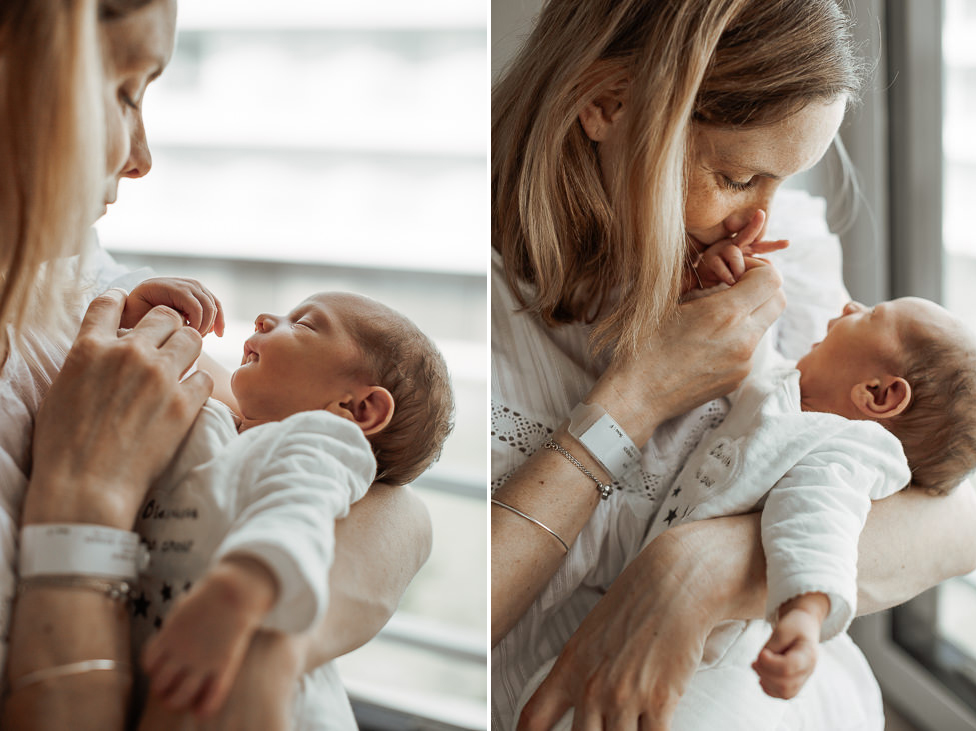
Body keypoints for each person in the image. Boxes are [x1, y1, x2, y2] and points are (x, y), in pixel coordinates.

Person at [490, 1, 976, 730]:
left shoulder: (784, 266)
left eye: (787, 181)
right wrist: (641, 393)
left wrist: (703, 566)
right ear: (605, 106)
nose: (761, 223)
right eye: (740, 175)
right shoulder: (472, 318)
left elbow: (943, 503)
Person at [0, 1, 432, 728]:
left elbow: (398, 510)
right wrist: (83, 499)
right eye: (124, 89)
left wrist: (262, 648)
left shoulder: (74, 277)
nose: (140, 157)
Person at [514, 287, 976, 729]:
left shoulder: (842, 447)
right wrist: (715, 282)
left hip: (729, 653)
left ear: (877, 393)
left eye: (873, 314)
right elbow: (723, 346)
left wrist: (805, 612)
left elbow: (821, 523)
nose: (852, 303)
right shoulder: (784, 387)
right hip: (653, 611)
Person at [121, 284, 452, 724]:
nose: (263, 318)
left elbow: (297, 513)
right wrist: (138, 317)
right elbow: (133, 369)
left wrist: (238, 589)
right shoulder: (224, 422)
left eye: (304, 324)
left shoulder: (319, 441)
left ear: (357, 408)